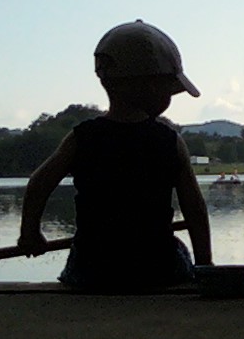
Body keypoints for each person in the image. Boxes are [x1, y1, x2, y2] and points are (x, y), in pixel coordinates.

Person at [19, 20, 213, 291]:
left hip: (91, 269)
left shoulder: (82, 137)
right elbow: (194, 208)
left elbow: (39, 183)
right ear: (154, 87)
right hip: (157, 268)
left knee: (81, 254)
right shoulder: (169, 141)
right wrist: (205, 265)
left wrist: (30, 233)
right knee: (176, 249)